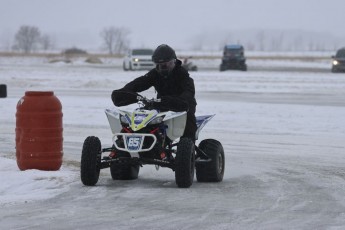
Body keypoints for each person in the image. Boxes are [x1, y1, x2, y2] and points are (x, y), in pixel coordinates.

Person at [111, 44, 197, 141]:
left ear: (174, 61)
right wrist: (125, 93)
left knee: (188, 119)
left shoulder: (183, 75)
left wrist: (169, 101)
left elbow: (188, 96)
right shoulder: (155, 74)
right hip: (160, 105)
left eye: (166, 64)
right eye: (159, 65)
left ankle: (189, 146)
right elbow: (138, 83)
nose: (162, 67)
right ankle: (126, 141)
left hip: (182, 105)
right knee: (141, 116)